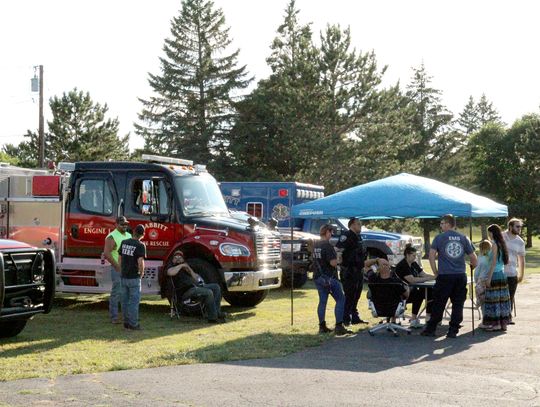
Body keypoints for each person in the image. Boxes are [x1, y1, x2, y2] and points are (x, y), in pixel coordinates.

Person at [421, 214, 477, 338]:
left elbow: (431, 256)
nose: (440, 226)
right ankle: (453, 329)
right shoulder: (463, 238)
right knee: (458, 303)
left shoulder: (439, 238)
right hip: (460, 275)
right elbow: (474, 258)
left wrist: (435, 271)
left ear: (447, 224)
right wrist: (473, 266)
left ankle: (431, 329)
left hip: (445, 275)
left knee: (439, 303)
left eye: (442, 223)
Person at [312, 224, 351, 335]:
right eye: (331, 232)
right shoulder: (327, 246)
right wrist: (339, 259)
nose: (332, 235)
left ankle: (322, 326)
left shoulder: (316, 245)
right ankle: (339, 326)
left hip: (318, 277)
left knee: (322, 302)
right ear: (327, 232)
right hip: (330, 278)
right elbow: (333, 263)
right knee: (341, 299)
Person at [167, 250, 226, 323]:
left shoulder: (186, 268)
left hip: (194, 287)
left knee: (216, 287)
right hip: (184, 291)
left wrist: (189, 269)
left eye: (180, 257)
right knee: (208, 292)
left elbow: (196, 278)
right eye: (176, 257)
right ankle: (212, 318)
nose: (178, 258)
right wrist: (181, 265)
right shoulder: (171, 266)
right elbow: (170, 273)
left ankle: (217, 312)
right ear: (173, 259)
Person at [336, 217, 368, 325]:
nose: (360, 226)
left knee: (357, 294)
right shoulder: (346, 235)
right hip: (349, 270)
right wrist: (340, 264)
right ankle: (345, 318)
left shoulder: (358, 237)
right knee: (349, 295)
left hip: (358, 270)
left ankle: (354, 316)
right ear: (352, 225)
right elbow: (338, 250)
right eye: (358, 224)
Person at [394, 244, 435, 328]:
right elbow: (412, 280)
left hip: (410, 290)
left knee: (430, 290)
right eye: (413, 255)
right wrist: (427, 279)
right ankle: (413, 319)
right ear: (407, 255)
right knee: (418, 294)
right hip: (401, 293)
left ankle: (428, 317)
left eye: (415, 255)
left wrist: (435, 277)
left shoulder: (413, 264)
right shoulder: (403, 265)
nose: (415, 257)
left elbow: (423, 274)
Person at [481, 224, 512, 331]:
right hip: (502, 274)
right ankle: (503, 323)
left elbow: (493, 262)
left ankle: (496, 324)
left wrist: (488, 278)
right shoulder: (502, 243)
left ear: (492, 233)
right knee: (501, 300)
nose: (488, 235)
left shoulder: (494, 244)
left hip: (495, 274)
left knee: (493, 300)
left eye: (489, 232)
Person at [103, 216, 132, 324]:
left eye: (126, 224)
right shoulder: (111, 237)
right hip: (118, 269)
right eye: (122, 224)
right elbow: (107, 254)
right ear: (116, 224)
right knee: (117, 293)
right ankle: (114, 317)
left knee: (127, 293)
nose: (124, 226)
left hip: (128, 269)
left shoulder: (129, 235)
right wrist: (117, 267)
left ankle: (126, 316)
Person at [118, 224, 146, 330]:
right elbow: (140, 261)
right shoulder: (140, 245)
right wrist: (141, 273)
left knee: (124, 301)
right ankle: (133, 324)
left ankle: (126, 323)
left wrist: (121, 270)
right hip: (134, 277)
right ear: (142, 234)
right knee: (134, 302)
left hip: (124, 276)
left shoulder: (124, 242)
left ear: (133, 232)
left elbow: (120, 258)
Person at [503, 218, 526, 323]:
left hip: (512, 273)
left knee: (510, 296)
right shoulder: (502, 236)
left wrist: (521, 275)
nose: (519, 229)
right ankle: (498, 318)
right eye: (517, 226)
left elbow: (521, 259)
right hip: (499, 272)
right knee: (499, 296)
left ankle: (508, 317)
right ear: (510, 226)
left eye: (520, 227)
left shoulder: (520, 242)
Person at [474, 240, 492, 312]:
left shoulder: (481, 258)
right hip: (490, 279)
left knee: (482, 300)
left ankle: (484, 316)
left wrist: (476, 279)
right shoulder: (492, 258)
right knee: (490, 300)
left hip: (481, 280)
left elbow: (477, 271)